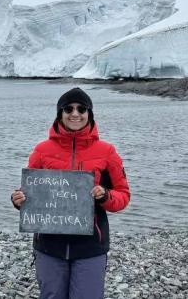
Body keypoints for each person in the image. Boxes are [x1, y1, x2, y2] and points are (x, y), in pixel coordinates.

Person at [11, 87, 130, 299]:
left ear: (89, 114)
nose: (75, 114)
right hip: (49, 245)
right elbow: (29, 190)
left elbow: (123, 195)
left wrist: (105, 196)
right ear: (60, 114)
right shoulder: (42, 150)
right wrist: (19, 199)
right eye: (68, 109)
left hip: (91, 245)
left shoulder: (107, 151)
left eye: (81, 109)